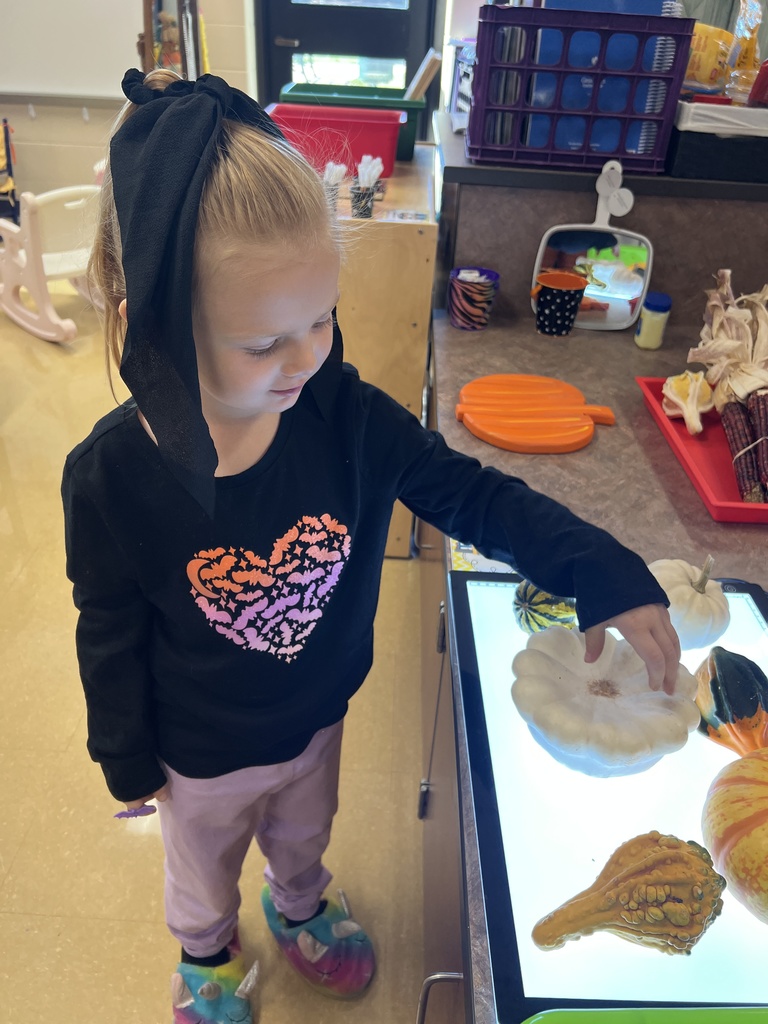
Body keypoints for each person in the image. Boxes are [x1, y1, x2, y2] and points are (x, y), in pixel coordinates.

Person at [62, 69, 680, 1024]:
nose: (307, 359)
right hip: (198, 751)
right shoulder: (110, 476)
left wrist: (596, 566)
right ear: (151, 329)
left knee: (305, 833)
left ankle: (299, 903)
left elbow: (470, 493)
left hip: (318, 715)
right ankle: (207, 954)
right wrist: (125, 755)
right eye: (264, 344)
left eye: (321, 319)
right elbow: (105, 622)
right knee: (200, 871)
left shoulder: (345, 416)